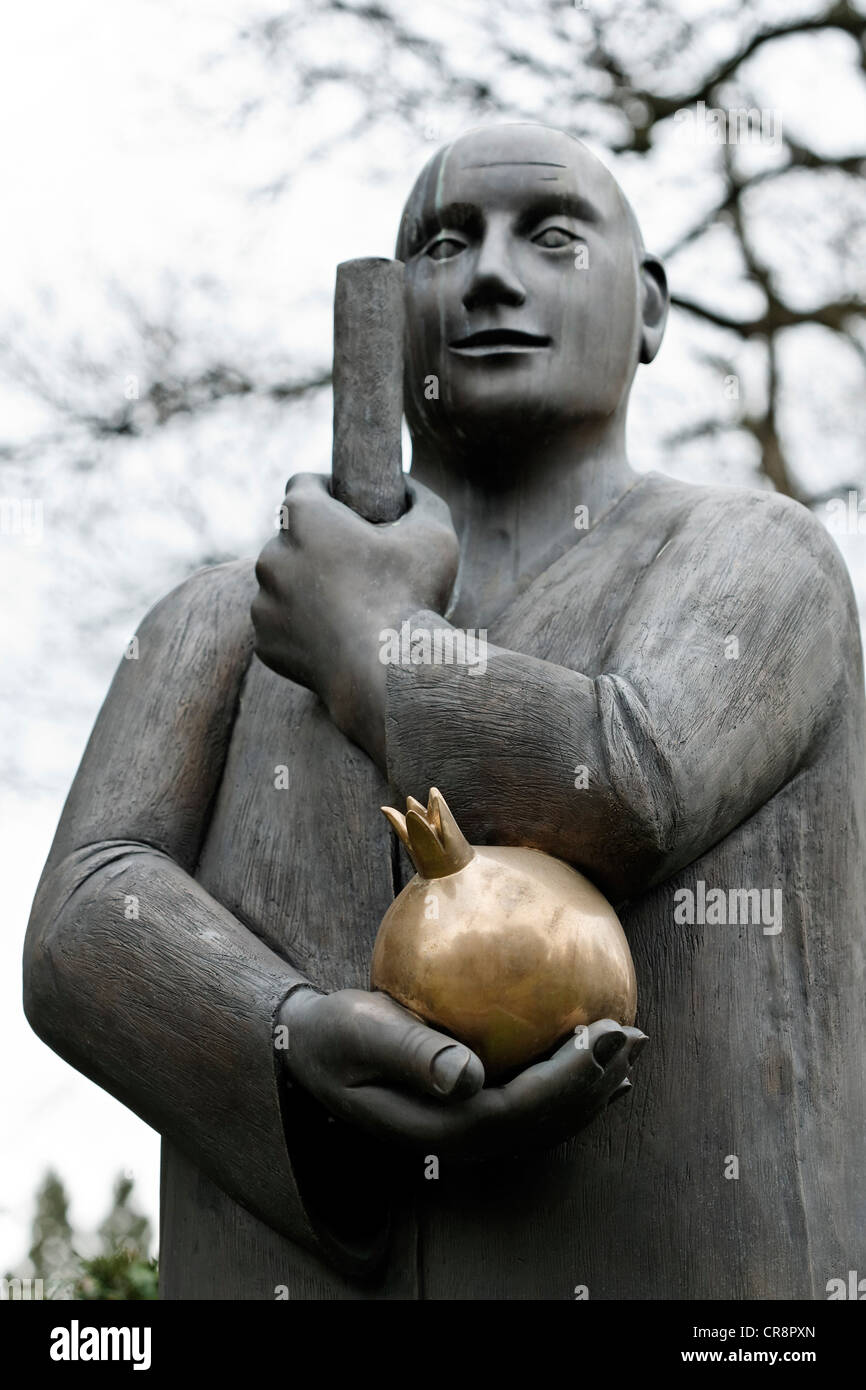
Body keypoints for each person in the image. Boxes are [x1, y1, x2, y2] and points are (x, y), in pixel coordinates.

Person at [24, 124, 866, 1299]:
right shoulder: (222, 621)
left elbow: (628, 782)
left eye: (551, 234)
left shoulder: (755, 558)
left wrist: (375, 649)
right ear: (395, 309)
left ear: (652, 310)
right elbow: (80, 925)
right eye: (442, 242)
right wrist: (285, 1031)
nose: (486, 273)